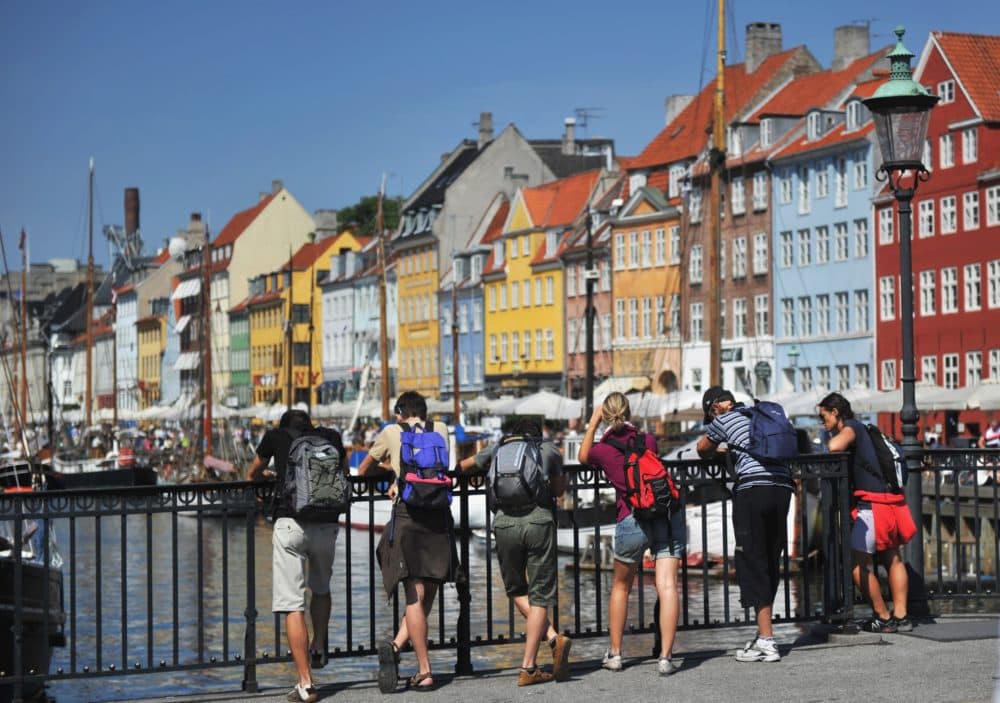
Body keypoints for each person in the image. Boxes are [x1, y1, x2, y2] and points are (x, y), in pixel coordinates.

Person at [457, 417, 572, 686]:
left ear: (514, 435)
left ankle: (554, 640)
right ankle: (530, 666)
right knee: (541, 594)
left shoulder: (499, 448)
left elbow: (463, 467)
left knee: (516, 590)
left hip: (504, 523)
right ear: (538, 434)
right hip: (538, 522)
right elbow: (557, 490)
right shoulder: (548, 449)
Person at [578, 392, 685, 676]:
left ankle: (615, 654)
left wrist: (592, 425)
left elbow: (582, 456)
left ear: (605, 415)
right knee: (668, 587)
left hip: (632, 519)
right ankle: (665, 658)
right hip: (665, 515)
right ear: (629, 411)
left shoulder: (602, 450)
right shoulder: (647, 440)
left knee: (621, 587)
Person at [247, 409, 346, 703]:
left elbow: (253, 471)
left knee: (292, 603)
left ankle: (306, 683)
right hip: (327, 523)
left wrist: (262, 478)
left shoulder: (276, 437)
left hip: (291, 523)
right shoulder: (330, 437)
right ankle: (318, 647)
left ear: (284, 425)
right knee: (322, 588)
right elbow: (341, 471)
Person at [358, 391, 453, 692]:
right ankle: (397, 646)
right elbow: (443, 467)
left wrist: (393, 473)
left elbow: (363, 469)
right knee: (432, 585)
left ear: (400, 412)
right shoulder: (441, 429)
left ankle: (424, 670)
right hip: (439, 514)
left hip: (409, 513)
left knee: (414, 591)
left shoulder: (391, 431)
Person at [696, 386, 792, 663]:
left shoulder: (725, 419)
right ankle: (766, 634)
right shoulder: (762, 414)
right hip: (782, 488)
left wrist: (721, 448)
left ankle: (766, 641)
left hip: (753, 491)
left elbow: (703, 448)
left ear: (715, 408)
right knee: (771, 558)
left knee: (753, 558)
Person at [818, 392, 916, 633]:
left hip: (872, 506)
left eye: (823, 416)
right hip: (893, 502)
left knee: (856, 565)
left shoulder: (852, 427)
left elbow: (835, 446)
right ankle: (902, 616)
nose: (822, 422)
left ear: (835, 412)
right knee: (893, 558)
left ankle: (882, 616)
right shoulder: (867, 429)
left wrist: (832, 440)